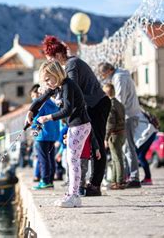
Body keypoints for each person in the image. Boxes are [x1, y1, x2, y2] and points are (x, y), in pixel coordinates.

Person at [43, 36, 110, 196]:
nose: (51, 65)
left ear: (58, 56)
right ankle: (87, 182)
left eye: (51, 60)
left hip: (98, 104)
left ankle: (95, 185)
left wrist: (52, 96)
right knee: (91, 144)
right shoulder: (68, 66)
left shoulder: (71, 65)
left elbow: (71, 94)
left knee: (98, 144)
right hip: (90, 106)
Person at [25, 61, 92, 208]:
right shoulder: (55, 87)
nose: (47, 83)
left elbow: (67, 110)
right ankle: (71, 193)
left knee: (72, 160)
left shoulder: (68, 85)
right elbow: (39, 100)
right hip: (73, 126)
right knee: (70, 159)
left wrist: (46, 118)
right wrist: (30, 111)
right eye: (44, 80)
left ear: (56, 74)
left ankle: (74, 196)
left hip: (80, 124)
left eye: (48, 79)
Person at [98, 62, 141, 188]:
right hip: (130, 114)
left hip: (127, 116)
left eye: (103, 74)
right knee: (125, 148)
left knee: (128, 147)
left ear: (109, 71)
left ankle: (133, 177)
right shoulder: (122, 75)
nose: (104, 77)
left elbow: (119, 99)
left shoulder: (119, 78)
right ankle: (127, 176)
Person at [29, 84, 61, 190]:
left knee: (43, 159)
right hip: (53, 135)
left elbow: (36, 119)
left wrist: (32, 128)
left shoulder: (41, 104)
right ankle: (50, 181)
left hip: (42, 136)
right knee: (50, 158)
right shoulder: (53, 103)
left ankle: (44, 181)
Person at [103, 83, 127, 190]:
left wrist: (105, 137)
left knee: (117, 159)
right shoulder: (119, 104)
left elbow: (110, 123)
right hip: (122, 133)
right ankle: (114, 180)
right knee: (115, 158)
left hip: (114, 134)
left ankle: (119, 181)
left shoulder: (110, 105)